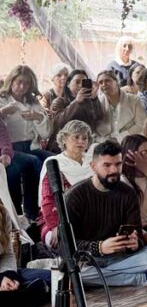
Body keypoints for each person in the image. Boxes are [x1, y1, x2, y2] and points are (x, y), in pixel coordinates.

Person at [65, 140, 147, 286]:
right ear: (93, 166)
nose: (114, 170)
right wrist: (99, 247)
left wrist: (135, 243)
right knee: (72, 274)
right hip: (89, 260)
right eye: (107, 165)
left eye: (118, 164)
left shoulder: (128, 193)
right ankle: (141, 278)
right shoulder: (75, 196)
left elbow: (137, 233)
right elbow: (65, 245)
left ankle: (105, 278)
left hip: (121, 257)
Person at [1, 66, 53, 223]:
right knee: (24, 165)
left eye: (27, 84)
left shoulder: (34, 103)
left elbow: (45, 134)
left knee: (53, 160)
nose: (22, 87)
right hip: (9, 148)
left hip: (31, 146)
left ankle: (38, 210)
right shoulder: (3, 99)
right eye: (19, 82)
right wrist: (3, 112)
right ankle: (19, 213)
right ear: (11, 81)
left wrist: (38, 117)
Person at [39, 120, 94, 248]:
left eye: (84, 138)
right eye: (76, 137)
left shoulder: (93, 162)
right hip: (57, 219)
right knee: (65, 241)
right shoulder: (54, 163)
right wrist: (55, 227)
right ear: (64, 139)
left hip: (91, 217)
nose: (81, 141)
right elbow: (47, 200)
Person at [0, 198, 49, 307]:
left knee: (54, 278)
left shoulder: (3, 213)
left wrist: (8, 276)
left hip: (4, 271)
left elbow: (8, 254)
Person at [49, 69, 105, 139]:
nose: (80, 85)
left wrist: (94, 98)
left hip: (84, 143)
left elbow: (99, 118)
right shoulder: (58, 102)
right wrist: (76, 102)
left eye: (83, 82)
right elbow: (59, 123)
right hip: (62, 144)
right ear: (68, 84)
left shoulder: (90, 102)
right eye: (77, 82)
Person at [96, 69, 147, 142]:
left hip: (130, 142)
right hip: (105, 144)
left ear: (116, 82)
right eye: (100, 83)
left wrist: (120, 138)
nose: (104, 84)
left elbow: (142, 124)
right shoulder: (97, 103)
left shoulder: (134, 100)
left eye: (107, 81)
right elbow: (94, 131)